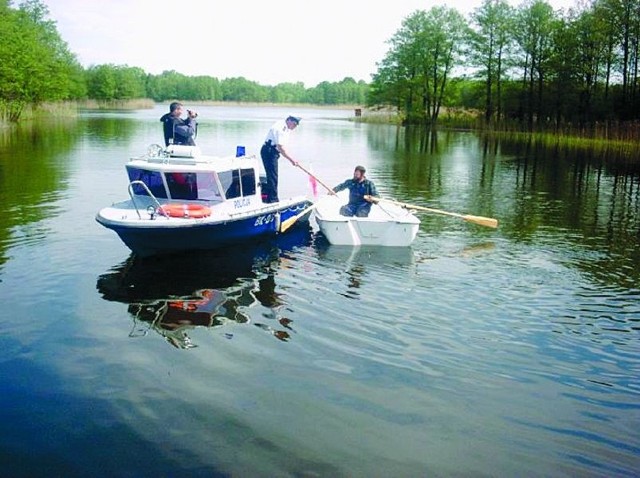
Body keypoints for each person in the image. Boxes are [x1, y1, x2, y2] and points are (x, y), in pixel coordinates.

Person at [260, 115, 301, 203]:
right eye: (294, 124)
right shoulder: (281, 128)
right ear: (289, 120)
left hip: (272, 151)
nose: (294, 127)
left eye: (296, 125)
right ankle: (273, 200)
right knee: (273, 176)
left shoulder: (285, 127)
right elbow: (281, 148)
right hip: (269, 151)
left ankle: (270, 198)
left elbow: (282, 148)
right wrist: (292, 160)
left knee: (272, 175)